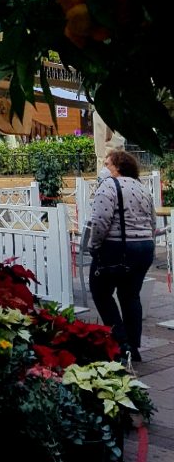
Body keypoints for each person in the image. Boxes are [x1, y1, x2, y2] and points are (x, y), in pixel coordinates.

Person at [87, 149, 156, 363]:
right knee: (130, 295)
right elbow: (152, 221)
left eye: (107, 164)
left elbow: (99, 221)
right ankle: (133, 348)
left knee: (100, 292)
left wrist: (94, 246)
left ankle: (121, 342)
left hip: (117, 249)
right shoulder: (142, 188)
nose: (103, 168)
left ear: (117, 167)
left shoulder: (108, 186)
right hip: (144, 248)